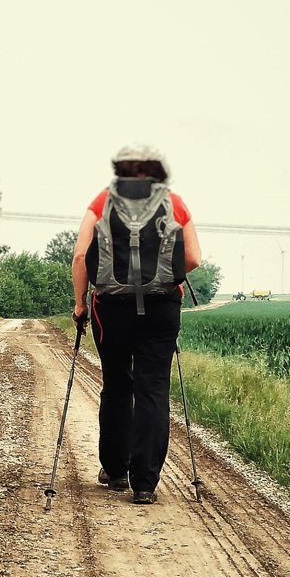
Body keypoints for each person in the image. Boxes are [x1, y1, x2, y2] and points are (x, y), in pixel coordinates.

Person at [70, 144, 203, 505]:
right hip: (161, 307)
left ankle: (116, 471)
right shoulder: (174, 202)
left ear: (121, 170)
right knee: (153, 389)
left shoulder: (102, 201)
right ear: (158, 171)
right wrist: (161, 277)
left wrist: (81, 303)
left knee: (116, 384)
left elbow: (81, 256)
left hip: (110, 307)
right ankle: (145, 484)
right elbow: (192, 257)